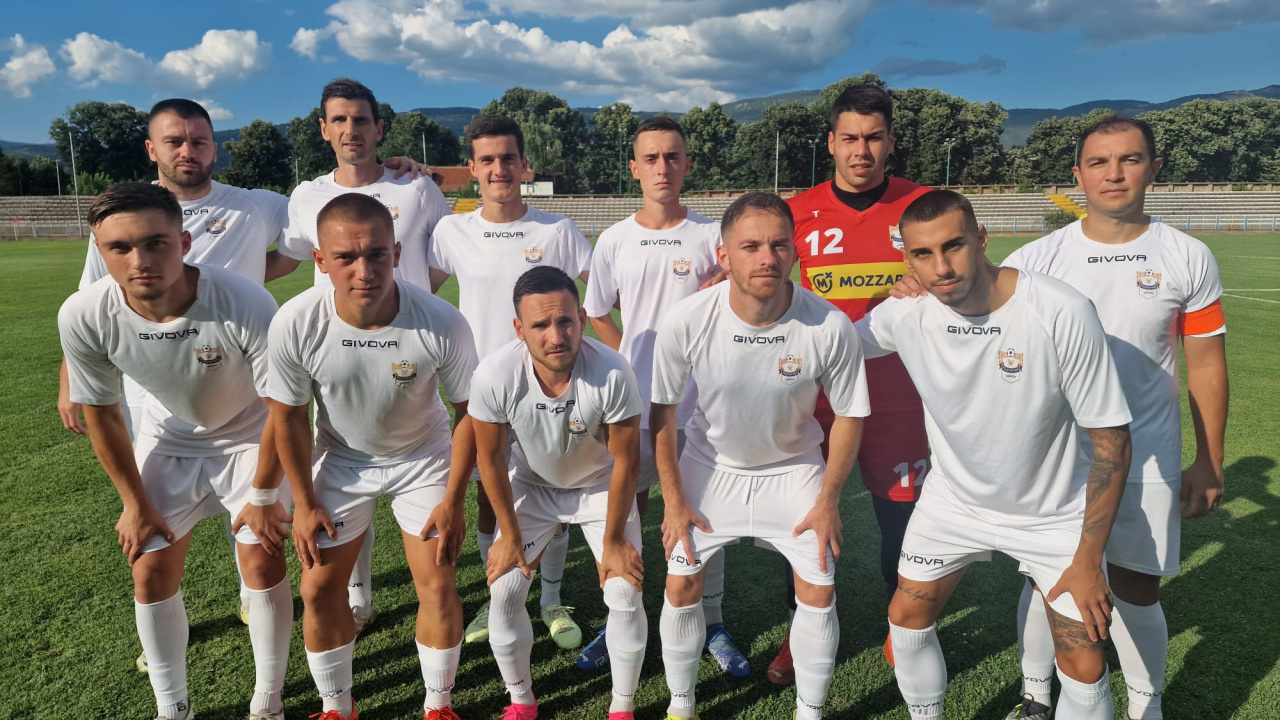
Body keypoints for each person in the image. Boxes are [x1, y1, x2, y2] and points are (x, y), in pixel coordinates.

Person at [56, 97, 425, 661]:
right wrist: (70, 377)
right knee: (158, 537)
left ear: (214, 147)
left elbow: (317, 229)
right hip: (157, 395)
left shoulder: (259, 205)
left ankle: (307, 598)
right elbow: (91, 296)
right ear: (152, 149)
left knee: (297, 499)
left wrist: (394, 166)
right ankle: (171, 635)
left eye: (199, 140)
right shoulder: (123, 215)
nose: (188, 150)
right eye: (174, 141)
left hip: (243, 380)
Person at [860, 190, 1133, 720]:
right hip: (953, 505)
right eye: (922, 254)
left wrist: (1087, 559)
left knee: (1082, 662)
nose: (941, 268)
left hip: (1053, 515)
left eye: (954, 246)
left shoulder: (1059, 309)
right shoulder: (906, 312)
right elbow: (821, 344)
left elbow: (1111, 441)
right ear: (906, 259)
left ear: (982, 239)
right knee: (906, 620)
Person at [999, 117, 1227, 720]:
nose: (1114, 173)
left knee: (1137, 587)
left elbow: (1206, 364)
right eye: (1099, 162)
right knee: (1046, 582)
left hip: (1147, 454)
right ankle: (1035, 695)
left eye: (1129, 159)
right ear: (1078, 176)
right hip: (1056, 461)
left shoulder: (1187, 256)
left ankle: (1145, 707)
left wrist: (1208, 461)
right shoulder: (1035, 258)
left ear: (1154, 168)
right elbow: (981, 323)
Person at [58, 182, 291, 720]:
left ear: (183, 242)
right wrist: (134, 504)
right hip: (170, 440)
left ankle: (269, 701)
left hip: (251, 437)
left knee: (261, 560)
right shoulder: (84, 313)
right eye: (119, 247)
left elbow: (284, 408)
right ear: (100, 251)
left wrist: (262, 495)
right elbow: (104, 415)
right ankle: (173, 708)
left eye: (155, 243)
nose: (139, 260)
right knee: (148, 569)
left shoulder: (244, 300)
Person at [653, 192, 870, 720]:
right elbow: (662, 414)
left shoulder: (828, 324)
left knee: (818, 587)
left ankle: (810, 712)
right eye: (750, 246)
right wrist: (674, 502)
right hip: (710, 467)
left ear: (794, 252)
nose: (767, 258)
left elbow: (850, 415)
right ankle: (681, 707)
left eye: (778, 245)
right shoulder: (687, 319)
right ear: (724, 256)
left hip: (794, 471)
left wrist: (828, 501)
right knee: (681, 584)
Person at [267, 193, 477, 720]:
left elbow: (469, 414)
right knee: (319, 588)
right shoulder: (296, 322)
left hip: (422, 459)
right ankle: (337, 707)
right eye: (346, 257)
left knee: (438, 582)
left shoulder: (440, 320)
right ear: (320, 260)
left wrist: (454, 499)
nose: (364, 271)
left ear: (397, 252)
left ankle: (438, 705)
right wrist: (303, 501)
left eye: (377, 254)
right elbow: (288, 417)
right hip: (342, 460)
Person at [278, 76, 452, 634]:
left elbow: (443, 255)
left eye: (360, 119)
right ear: (324, 129)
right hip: (335, 348)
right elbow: (290, 260)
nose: (350, 129)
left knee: (400, 442)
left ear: (379, 128)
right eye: (340, 119)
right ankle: (358, 591)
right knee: (348, 455)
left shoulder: (416, 187)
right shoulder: (305, 196)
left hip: (407, 348)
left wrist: (415, 309)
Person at [771, 82, 933, 682]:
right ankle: (802, 631)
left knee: (904, 521)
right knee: (806, 518)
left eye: (873, 138)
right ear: (831, 142)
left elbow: (963, 275)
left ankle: (905, 627)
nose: (861, 151)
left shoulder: (924, 205)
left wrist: (932, 280)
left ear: (890, 141)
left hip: (901, 396)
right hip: (814, 400)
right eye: (849, 138)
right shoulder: (796, 213)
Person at [581, 115, 747, 676]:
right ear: (634, 168)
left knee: (701, 512)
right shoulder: (614, 239)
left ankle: (711, 621)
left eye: (672, 156)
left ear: (687, 164)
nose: (662, 167)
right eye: (650, 158)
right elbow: (597, 312)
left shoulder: (711, 236)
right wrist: (627, 361)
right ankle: (620, 617)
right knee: (628, 508)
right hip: (633, 403)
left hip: (701, 403)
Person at [428, 114, 592, 650]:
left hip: (550, 385)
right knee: (486, 495)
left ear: (525, 165)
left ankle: (550, 599)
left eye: (508, 158)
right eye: (488, 160)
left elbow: (604, 292)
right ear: (472, 168)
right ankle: (495, 592)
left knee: (555, 490)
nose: (499, 168)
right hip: (481, 389)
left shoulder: (557, 230)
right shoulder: (452, 231)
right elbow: (417, 293)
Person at [470, 266, 647, 720]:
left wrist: (613, 541)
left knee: (624, 592)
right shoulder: (495, 374)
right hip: (533, 486)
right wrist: (509, 536)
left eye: (565, 321)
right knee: (505, 590)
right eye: (540, 325)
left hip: (598, 486)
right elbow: (490, 460)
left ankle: (622, 708)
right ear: (519, 329)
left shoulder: (613, 371)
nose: (556, 336)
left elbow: (626, 462)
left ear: (582, 319)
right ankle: (521, 702)